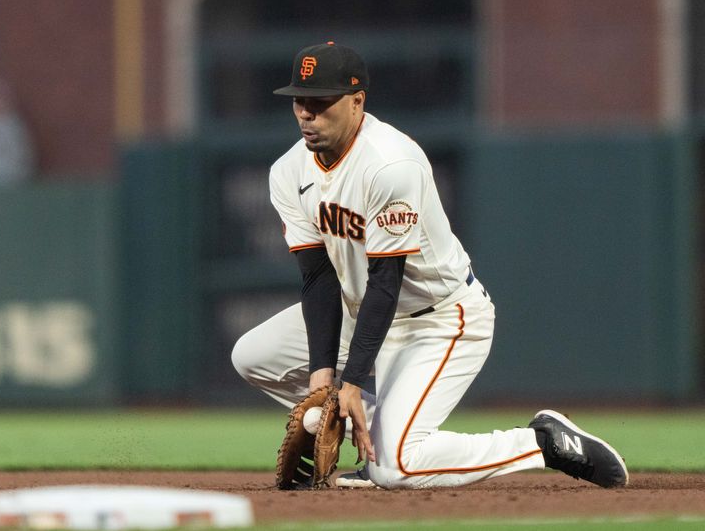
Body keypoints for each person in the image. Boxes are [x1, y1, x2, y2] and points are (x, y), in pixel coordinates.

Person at [231, 42, 628, 489]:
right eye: (300, 101)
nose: (307, 113)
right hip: (358, 313)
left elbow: (386, 281)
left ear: (357, 102)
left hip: (438, 319)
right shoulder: (288, 172)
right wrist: (324, 384)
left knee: (396, 470)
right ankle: (377, 436)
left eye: (321, 102)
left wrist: (353, 383)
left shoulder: (389, 164)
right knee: (252, 357)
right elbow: (319, 278)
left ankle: (540, 443)